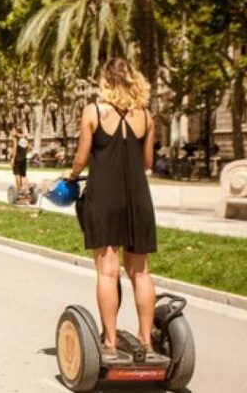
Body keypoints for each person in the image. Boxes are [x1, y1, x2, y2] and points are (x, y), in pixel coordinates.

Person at [63, 58, 157, 360]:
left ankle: (111, 343)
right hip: (138, 198)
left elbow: (81, 158)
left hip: (104, 196)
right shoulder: (146, 116)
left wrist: (71, 176)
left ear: (104, 81)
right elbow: (147, 162)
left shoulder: (93, 111)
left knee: (107, 271)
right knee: (141, 272)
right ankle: (146, 342)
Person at [9, 127, 30, 194]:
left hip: (17, 158)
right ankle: (27, 190)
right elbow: (28, 148)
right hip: (23, 158)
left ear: (16, 131)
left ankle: (19, 190)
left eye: (13, 131)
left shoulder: (15, 138)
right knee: (24, 175)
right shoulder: (25, 138)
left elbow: (15, 149)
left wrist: (12, 159)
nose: (12, 132)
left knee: (17, 174)